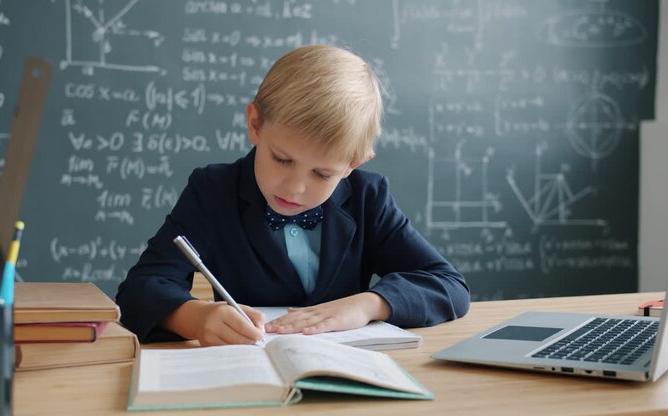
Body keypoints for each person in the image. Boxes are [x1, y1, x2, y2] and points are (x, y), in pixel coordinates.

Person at [116, 44, 470, 345]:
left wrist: (368, 304)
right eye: (282, 159)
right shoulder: (213, 191)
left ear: (352, 164)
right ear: (254, 124)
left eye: (322, 173)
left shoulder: (368, 197)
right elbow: (139, 290)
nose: (295, 187)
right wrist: (195, 317)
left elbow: (448, 284)